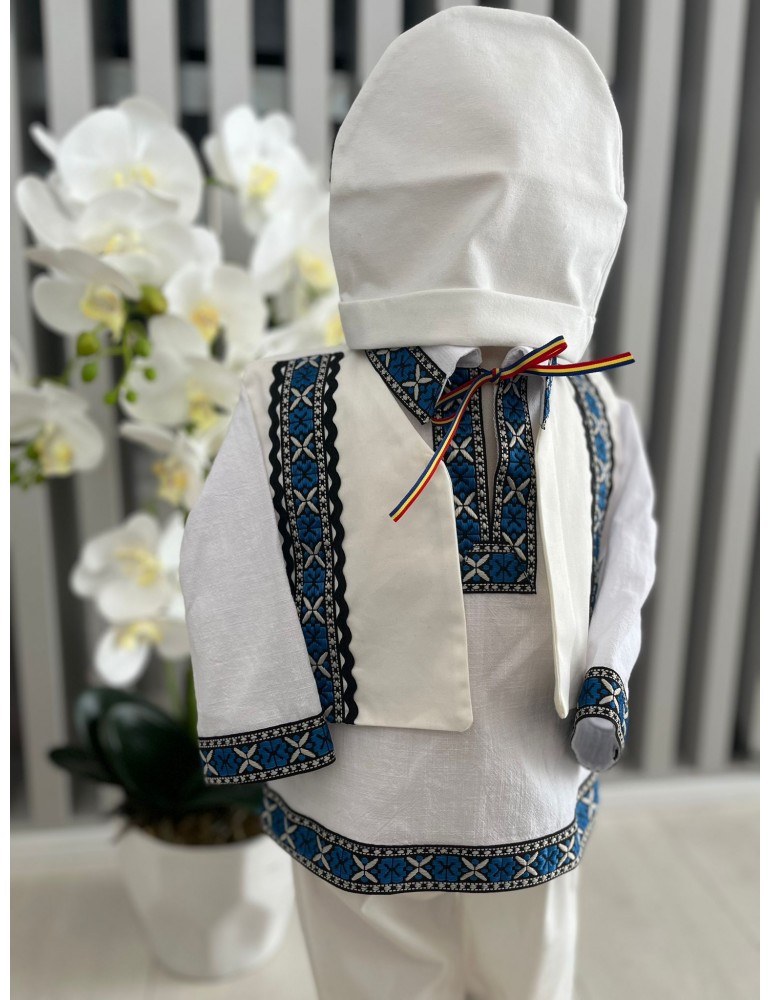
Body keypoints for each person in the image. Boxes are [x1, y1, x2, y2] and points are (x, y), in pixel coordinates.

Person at [179, 7, 657, 998]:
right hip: (359, 787)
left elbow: (628, 558)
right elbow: (230, 562)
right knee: (374, 974)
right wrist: (276, 727)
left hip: (531, 782)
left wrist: (606, 676)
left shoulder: (595, 410)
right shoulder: (290, 401)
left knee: (527, 971)